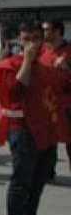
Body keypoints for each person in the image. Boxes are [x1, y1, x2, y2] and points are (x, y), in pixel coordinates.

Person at [0, 22, 65, 215]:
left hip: (45, 131)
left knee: (39, 180)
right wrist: (26, 60)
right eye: (27, 39)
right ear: (19, 41)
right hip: (22, 130)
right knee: (21, 180)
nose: (32, 43)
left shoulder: (47, 67)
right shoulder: (8, 65)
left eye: (36, 38)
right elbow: (14, 91)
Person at [40, 20, 71, 176]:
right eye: (44, 29)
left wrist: (67, 68)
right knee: (48, 140)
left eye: (47, 29)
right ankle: (48, 171)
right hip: (47, 104)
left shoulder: (69, 50)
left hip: (67, 105)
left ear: (58, 31)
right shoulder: (42, 50)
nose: (44, 33)